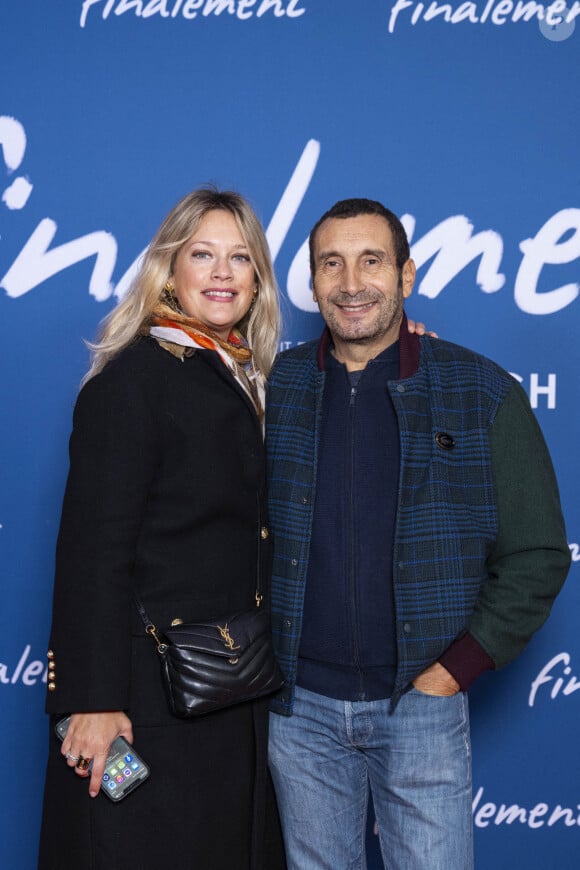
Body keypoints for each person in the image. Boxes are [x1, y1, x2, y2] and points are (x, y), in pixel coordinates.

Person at [265, 197, 571, 870]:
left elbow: (540, 554)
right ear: (312, 282)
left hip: (420, 707)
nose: (351, 284)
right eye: (331, 264)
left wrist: (453, 671)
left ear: (406, 276)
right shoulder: (277, 386)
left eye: (371, 261)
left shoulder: (481, 389)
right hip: (300, 712)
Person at [38, 188, 287, 870]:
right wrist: (90, 701)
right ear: (167, 269)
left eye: (240, 258)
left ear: (259, 278)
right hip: (145, 702)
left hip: (232, 697)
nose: (222, 273)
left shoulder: (252, 378)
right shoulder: (134, 381)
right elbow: (94, 553)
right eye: (202, 255)